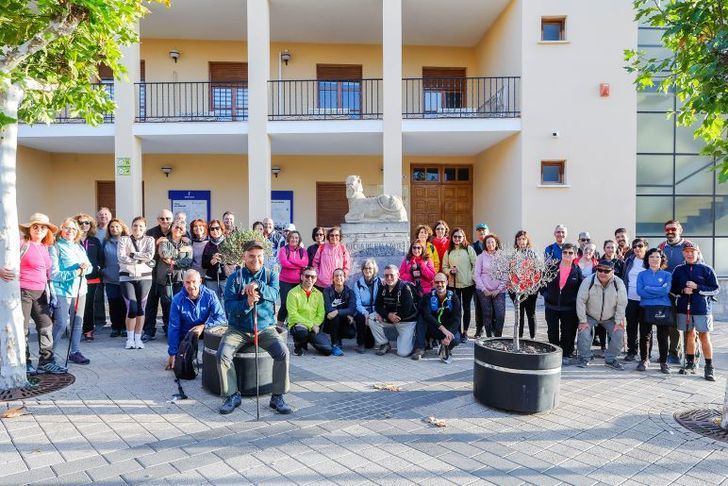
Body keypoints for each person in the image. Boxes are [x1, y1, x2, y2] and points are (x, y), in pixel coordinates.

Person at [219, 239, 291, 415]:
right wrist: (248, 303)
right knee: (222, 354)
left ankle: (277, 396)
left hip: (265, 328)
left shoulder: (270, 275)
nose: (255, 259)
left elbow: (275, 295)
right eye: (251, 256)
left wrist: (259, 286)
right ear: (244, 257)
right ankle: (232, 395)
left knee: (283, 352)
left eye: (259, 256)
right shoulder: (234, 278)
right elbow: (228, 307)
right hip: (238, 329)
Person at [0, 213, 66, 375]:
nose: (39, 230)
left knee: (46, 326)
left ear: (47, 231)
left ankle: (46, 362)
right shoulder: (21, 243)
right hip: (23, 292)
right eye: (35, 226)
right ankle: (25, 362)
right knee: (22, 329)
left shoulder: (44, 247)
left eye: (43, 227)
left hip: (41, 292)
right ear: (29, 229)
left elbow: (48, 271)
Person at [671, 242, 719, 381]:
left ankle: (709, 367)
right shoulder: (678, 269)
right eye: (686, 251)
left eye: (692, 251)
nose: (689, 254)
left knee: (704, 336)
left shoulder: (707, 269)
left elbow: (715, 289)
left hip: (702, 309)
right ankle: (690, 364)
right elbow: (673, 289)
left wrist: (697, 287)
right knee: (689, 335)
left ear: (698, 252)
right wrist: (682, 290)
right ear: (683, 253)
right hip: (684, 308)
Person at [50, 218, 92, 365]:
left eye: (74, 229)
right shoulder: (55, 247)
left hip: (80, 290)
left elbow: (90, 268)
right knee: (61, 324)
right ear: (61, 229)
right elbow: (53, 274)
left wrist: (85, 268)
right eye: (67, 228)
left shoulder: (79, 247)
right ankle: (48, 355)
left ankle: (74, 352)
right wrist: (75, 272)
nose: (70, 231)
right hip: (62, 290)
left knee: (77, 323)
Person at [166, 269, 226, 370]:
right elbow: (174, 327)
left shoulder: (210, 295)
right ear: (183, 283)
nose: (191, 286)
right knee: (184, 363)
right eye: (187, 282)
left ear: (200, 281)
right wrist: (172, 353)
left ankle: (214, 357)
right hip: (186, 333)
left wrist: (204, 326)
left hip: (205, 329)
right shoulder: (177, 300)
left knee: (221, 331)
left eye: (194, 282)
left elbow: (222, 318)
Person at [575, 259, 628, 369]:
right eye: (600, 270)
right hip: (590, 315)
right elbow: (580, 301)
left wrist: (618, 321)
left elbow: (622, 303)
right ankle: (585, 357)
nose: (602, 273)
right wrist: (583, 320)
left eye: (606, 271)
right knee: (583, 332)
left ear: (613, 271)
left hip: (610, 317)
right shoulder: (588, 281)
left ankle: (611, 359)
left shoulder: (619, 283)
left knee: (619, 333)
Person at [145, 221, 193, 341]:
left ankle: (175, 330)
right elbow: (164, 254)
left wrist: (174, 261)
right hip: (165, 278)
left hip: (180, 279)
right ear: (171, 228)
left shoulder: (187, 242)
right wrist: (180, 252)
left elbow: (188, 261)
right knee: (167, 305)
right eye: (176, 227)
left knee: (178, 306)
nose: (178, 229)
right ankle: (168, 329)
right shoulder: (164, 241)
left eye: (181, 228)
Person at [658, 220, 694, 365]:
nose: (670, 232)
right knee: (671, 323)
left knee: (689, 325)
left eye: (673, 229)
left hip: (687, 292)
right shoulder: (661, 247)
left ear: (680, 230)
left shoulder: (689, 246)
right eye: (667, 230)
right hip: (668, 292)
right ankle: (673, 353)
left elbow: (699, 265)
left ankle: (691, 355)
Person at [118, 217, 155, 349]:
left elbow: (150, 256)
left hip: (145, 277)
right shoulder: (124, 239)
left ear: (145, 228)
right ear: (131, 226)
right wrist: (140, 258)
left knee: (141, 308)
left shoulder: (150, 240)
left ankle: (138, 338)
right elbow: (121, 257)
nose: (137, 229)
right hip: (127, 277)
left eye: (140, 226)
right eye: (135, 226)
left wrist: (132, 255)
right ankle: (130, 338)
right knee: (131, 308)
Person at [543, 243, 583, 365]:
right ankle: (554, 353)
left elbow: (580, 289)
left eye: (570, 253)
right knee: (552, 332)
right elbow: (543, 283)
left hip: (569, 308)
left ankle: (566, 353)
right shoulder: (552, 267)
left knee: (568, 332)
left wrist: (574, 300)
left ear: (575, 255)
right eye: (565, 252)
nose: (567, 255)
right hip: (551, 306)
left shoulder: (577, 271)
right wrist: (546, 295)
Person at [636, 248, 673, 374]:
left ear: (662, 259)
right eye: (651, 256)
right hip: (645, 307)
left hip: (663, 308)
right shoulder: (642, 274)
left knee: (663, 336)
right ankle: (644, 360)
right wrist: (658, 290)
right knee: (645, 336)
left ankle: (663, 362)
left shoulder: (667, 275)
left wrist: (649, 289)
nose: (654, 259)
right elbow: (640, 292)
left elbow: (666, 291)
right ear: (647, 259)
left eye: (657, 257)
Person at [368, 265, 418, 357]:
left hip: (406, 321)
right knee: (372, 318)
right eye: (386, 275)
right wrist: (387, 315)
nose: (389, 278)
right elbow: (378, 306)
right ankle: (384, 344)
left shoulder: (405, 288)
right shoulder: (382, 286)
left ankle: (412, 340)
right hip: (390, 318)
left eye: (391, 275)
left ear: (398, 275)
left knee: (403, 353)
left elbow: (407, 310)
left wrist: (388, 317)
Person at [142, 209, 173, 341]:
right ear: (158, 220)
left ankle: (168, 329)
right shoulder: (150, 233)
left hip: (168, 276)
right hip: (152, 274)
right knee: (150, 305)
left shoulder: (176, 231)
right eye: (162, 218)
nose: (165, 221)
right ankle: (149, 331)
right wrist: (156, 243)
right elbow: (144, 251)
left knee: (168, 305)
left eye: (167, 218)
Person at [443, 227, 477, 342]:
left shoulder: (469, 249)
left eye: (459, 236)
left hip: (468, 284)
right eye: (455, 236)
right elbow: (444, 267)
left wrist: (471, 276)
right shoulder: (448, 251)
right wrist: (449, 271)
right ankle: (456, 331)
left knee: (466, 308)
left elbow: (475, 264)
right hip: (454, 284)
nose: (457, 239)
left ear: (463, 237)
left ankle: (465, 332)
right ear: (452, 238)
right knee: (456, 309)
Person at [418, 273, 462, 364]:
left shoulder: (453, 297)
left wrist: (449, 335)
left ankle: (444, 345)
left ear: (446, 282)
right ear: (433, 283)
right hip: (433, 329)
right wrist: (442, 329)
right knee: (421, 317)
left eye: (442, 282)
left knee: (456, 339)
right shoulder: (428, 296)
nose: (440, 285)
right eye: (437, 282)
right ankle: (421, 347)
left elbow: (457, 318)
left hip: (447, 329)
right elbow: (427, 315)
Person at [287, 266, 330, 356]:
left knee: (327, 350)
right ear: (302, 277)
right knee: (301, 332)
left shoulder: (319, 294)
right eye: (307, 276)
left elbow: (321, 314)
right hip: (298, 325)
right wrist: (311, 325)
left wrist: (314, 325)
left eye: (312, 277)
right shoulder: (292, 293)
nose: (309, 279)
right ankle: (298, 347)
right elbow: (293, 314)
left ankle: (308, 340)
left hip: (314, 326)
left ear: (316, 279)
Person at [75, 213, 104, 342]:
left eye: (87, 223)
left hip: (91, 278)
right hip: (75, 277)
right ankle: (75, 330)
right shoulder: (72, 241)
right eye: (81, 223)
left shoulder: (95, 241)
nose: (84, 225)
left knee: (88, 306)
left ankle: (88, 331)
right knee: (74, 306)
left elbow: (102, 258)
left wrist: (98, 267)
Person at [474, 234, 506, 338]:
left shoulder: (502, 256)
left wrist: (499, 289)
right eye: (488, 242)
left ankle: (498, 337)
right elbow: (477, 275)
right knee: (487, 315)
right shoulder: (480, 257)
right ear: (485, 244)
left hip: (499, 291)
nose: (490, 244)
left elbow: (505, 274)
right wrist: (484, 289)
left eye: (492, 242)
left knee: (500, 314)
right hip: (484, 290)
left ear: (496, 243)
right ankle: (489, 337)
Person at [101, 218, 128, 338]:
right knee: (113, 303)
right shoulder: (105, 242)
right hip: (110, 278)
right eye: (112, 227)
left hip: (125, 277)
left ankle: (124, 327)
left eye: (117, 226)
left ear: (122, 228)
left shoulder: (127, 241)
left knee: (124, 303)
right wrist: (103, 271)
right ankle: (115, 327)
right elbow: (101, 258)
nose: (114, 229)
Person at [622, 238, 648, 362]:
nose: (637, 248)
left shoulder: (650, 260)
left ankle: (646, 353)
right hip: (630, 299)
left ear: (646, 247)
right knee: (631, 327)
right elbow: (624, 278)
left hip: (645, 300)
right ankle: (632, 351)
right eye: (635, 246)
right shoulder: (629, 261)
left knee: (645, 328)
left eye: (640, 246)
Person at [510, 230, 538, 340]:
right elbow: (510, 272)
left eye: (523, 239)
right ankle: (519, 337)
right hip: (516, 289)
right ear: (516, 241)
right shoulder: (513, 254)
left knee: (531, 314)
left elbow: (537, 272)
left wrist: (531, 286)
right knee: (519, 314)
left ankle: (533, 337)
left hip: (530, 290)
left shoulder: (533, 254)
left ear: (527, 241)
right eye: (519, 239)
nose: (521, 241)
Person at [277, 230, 308, 328]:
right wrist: (298, 264)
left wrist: (291, 261)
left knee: (297, 305)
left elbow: (305, 263)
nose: (294, 239)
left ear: (299, 240)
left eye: (296, 238)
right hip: (285, 281)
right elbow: (284, 263)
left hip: (298, 282)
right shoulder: (283, 249)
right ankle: (279, 327)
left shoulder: (303, 251)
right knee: (284, 305)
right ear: (289, 238)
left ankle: (294, 326)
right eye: (292, 237)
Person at [323, 268, 358, 356]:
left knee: (351, 334)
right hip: (330, 321)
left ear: (345, 278)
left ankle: (338, 338)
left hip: (344, 321)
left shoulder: (350, 292)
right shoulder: (327, 291)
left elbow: (352, 309)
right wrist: (344, 313)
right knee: (334, 317)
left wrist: (338, 312)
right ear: (333, 279)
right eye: (336, 276)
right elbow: (328, 308)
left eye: (341, 275)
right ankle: (335, 344)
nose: (339, 278)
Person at [201, 219, 236, 299]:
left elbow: (234, 260)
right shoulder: (208, 245)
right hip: (211, 279)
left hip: (225, 278)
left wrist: (222, 258)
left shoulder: (228, 243)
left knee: (227, 301)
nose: (215, 231)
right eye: (212, 229)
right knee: (213, 302)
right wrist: (211, 261)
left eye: (217, 228)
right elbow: (203, 264)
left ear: (222, 229)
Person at [352, 259, 379, 353]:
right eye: (365, 268)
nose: (368, 270)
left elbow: (380, 301)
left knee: (370, 345)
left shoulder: (379, 282)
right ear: (362, 270)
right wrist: (365, 312)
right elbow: (357, 303)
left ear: (374, 269)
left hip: (375, 309)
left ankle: (371, 341)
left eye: (370, 268)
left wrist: (374, 313)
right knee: (360, 317)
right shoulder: (357, 284)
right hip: (363, 309)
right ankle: (360, 343)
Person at [93, 207, 113, 328]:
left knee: (113, 295)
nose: (103, 216)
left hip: (111, 265)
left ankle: (116, 320)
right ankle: (100, 321)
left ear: (110, 216)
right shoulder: (94, 231)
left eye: (106, 214)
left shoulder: (114, 229)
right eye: (101, 215)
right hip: (98, 266)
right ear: (97, 217)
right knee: (97, 294)